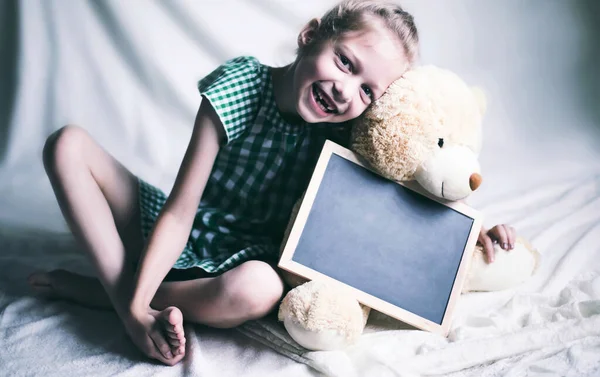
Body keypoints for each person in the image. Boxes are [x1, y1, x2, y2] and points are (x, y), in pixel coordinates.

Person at [27, 0, 514, 367]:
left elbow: (408, 187)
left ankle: (116, 292)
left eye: (368, 90)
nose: (347, 91)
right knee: (67, 144)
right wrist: (134, 309)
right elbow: (180, 210)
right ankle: (123, 299)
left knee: (259, 290)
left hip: (242, 262)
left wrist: (471, 235)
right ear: (309, 36)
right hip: (178, 227)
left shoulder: (349, 130)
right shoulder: (243, 85)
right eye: (345, 62)